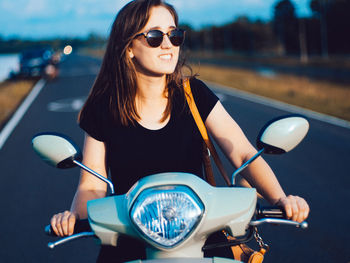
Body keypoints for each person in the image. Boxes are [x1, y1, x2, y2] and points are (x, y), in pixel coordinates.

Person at [50, 0, 310, 262]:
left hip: (204, 239)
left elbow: (243, 153)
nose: (168, 44)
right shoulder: (104, 109)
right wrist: (73, 218)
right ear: (129, 47)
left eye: (174, 35)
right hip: (132, 243)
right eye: (154, 36)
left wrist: (281, 199)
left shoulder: (194, 94)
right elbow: (92, 184)